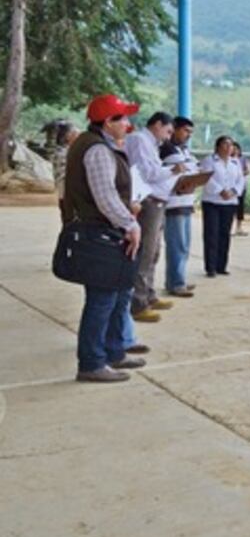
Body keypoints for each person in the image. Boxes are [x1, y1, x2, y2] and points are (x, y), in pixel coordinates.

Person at [65, 94, 147, 383]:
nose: (127, 124)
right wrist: (130, 224)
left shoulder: (96, 145)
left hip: (104, 231)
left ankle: (114, 351)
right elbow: (105, 197)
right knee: (102, 299)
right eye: (122, 118)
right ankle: (92, 362)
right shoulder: (98, 150)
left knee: (117, 293)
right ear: (108, 122)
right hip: (100, 233)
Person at [124, 112, 180, 322]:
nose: (168, 137)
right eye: (167, 131)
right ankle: (138, 303)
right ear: (157, 124)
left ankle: (148, 293)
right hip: (146, 200)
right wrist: (173, 170)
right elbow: (148, 173)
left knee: (154, 250)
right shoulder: (139, 140)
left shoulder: (151, 143)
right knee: (146, 252)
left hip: (156, 199)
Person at [160, 116, 198, 298]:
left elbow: (194, 170)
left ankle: (178, 278)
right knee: (177, 244)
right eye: (185, 131)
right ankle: (176, 282)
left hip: (186, 201)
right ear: (173, 129)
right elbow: (175, 173)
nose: (188, 136)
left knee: (184, 245)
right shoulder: (166, 148)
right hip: (173, 203)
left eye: (190, 133)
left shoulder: (183, 150)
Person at [199, 135, 244, 277]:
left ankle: (221, 265)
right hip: (212, 201)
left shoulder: (235, 163)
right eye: (225, 144)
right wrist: (220, 190)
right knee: (212, 234)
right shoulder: (209, 160)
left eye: (231, 145)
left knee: (225, 234)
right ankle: (210, 267)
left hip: (229, 202)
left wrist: (233, 191)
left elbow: (240, 180)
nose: (228, 147)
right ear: (217, 146)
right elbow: (206, 178)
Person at [53, 122, 80, 224]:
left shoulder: (67, 152)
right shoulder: (63, 153)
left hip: (68, 196)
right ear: (68, 136)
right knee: (71, 227)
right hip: (69, 196)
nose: (79, 136)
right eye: (76, 133)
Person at [231, 142, 250, 236]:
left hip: (241, 187)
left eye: (236, 149)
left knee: (240, 208)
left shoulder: (242, 159)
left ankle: (239, 227)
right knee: (231, 208)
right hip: (230, 187)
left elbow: (247, 170)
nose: (235, 150)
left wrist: (239, 174)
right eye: (233, 148)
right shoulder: (228, 159)